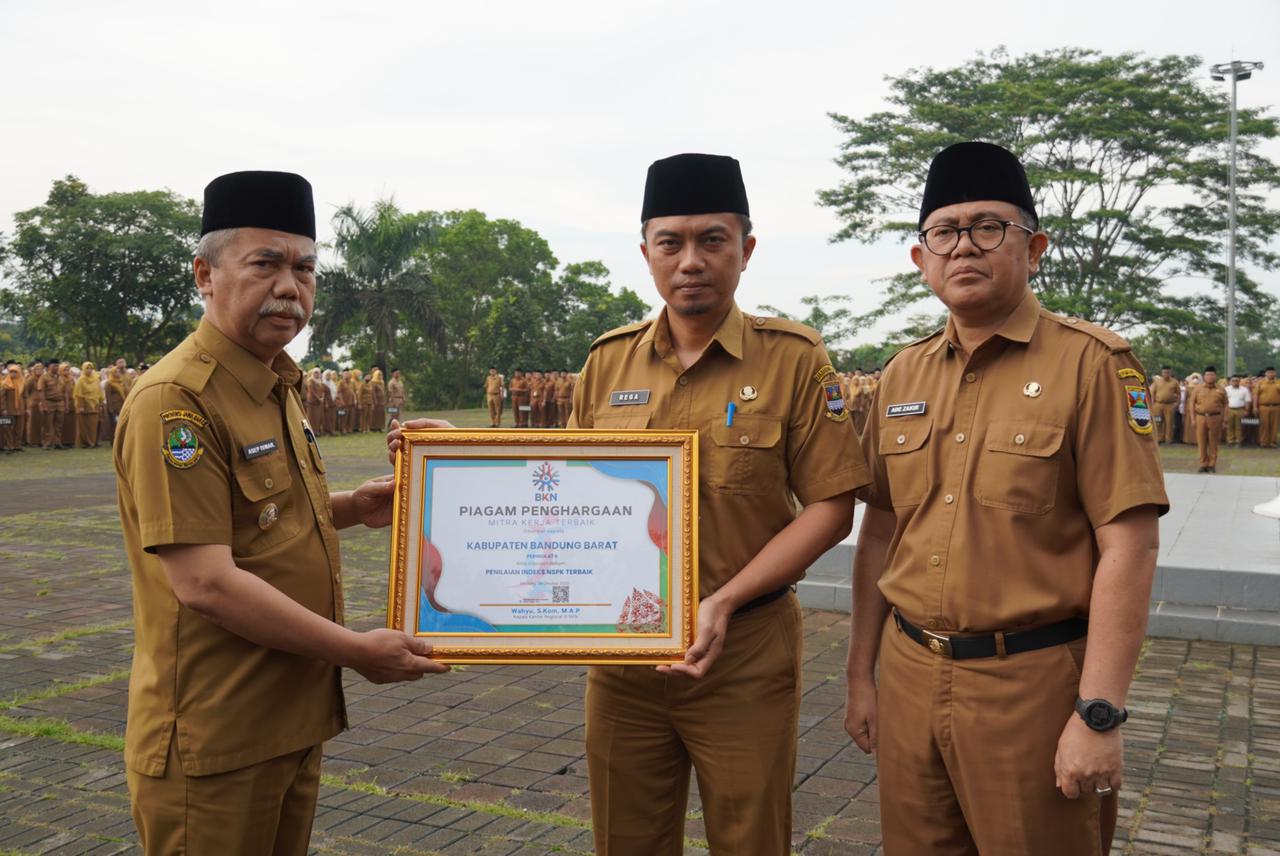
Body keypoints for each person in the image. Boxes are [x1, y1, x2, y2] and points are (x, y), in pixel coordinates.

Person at [843, 142, 1168, 856]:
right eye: (945, 231)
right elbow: (878, 534)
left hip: (1031, 686)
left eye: (989, 227)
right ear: (921, 258)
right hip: (909, 674)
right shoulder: (902, 375)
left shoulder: (1092, 365)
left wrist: (1099, 713)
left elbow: (1131, 545)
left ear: (1035, 246)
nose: (965, 246)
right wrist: (860, 677)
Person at [113, 171, 448, 856]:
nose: (290, 288)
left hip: (287, 717)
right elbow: (204, 580)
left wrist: (356, 507)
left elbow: (250, 520)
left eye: (305, 268)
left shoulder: (273, 382)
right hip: (217, 736)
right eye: (264, 264)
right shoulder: (178, 401)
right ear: (205, 274)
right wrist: (356, 651)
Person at [569, 153, 864, 853]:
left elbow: (831, 505)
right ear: (646, 253)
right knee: (625, 839)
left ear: (746, 250)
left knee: (750, 838)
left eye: (713, 240)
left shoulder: (793, 358)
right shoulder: (607, 362)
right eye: (670, 242)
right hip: (623, 663)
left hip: (746, 655)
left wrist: (723, 601)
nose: (690, 260)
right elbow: (566, 493)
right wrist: (453, 456)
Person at [1189, 366, 1228, 473]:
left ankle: (1212, 464)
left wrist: (1225, 419)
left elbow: (1226, 405)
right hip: (1200, 417)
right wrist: (1192, 419)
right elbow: (1192, 404)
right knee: (1201, 442)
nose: (1210, 377)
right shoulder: (1198, 388)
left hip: (1215, 418)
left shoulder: (1221, 389)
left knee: (1213, 442)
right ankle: (1203, 464)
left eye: (1212, 374)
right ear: (1204, 376)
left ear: (1215, 376)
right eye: (1207, 375)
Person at [37, 358, 68, 449]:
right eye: (54, 365)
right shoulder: (44, 377)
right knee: (48, 424)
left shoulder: (60, 377)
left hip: (60, 403)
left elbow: (65, 391)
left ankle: (57, 443)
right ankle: (47, 443)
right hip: (49, 402)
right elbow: (41, 392)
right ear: (49, 367)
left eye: (57, 365)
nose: (56, 367)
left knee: (59, 424)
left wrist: (66, 405)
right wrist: (44, 404)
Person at [73, 361, 104, 448]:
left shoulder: (96, 379)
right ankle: (87, 442)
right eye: (87, 368)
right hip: (85, 405)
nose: (89, 370)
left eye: (91, 368)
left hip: (95, 405)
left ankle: (94, 442)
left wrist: (101, 403)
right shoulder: (81, 380)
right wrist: (81, 406)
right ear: (83, 369)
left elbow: (100, 392)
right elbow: (78, 394)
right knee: (85, 426)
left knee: (94, 426)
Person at [1149, 366, 1180, 444]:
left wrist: (1177, 403)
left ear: (1171, 373)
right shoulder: (1157, 382)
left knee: (1169, 423)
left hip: (1170, 405)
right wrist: (1153, 403)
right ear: (1162, 373)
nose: (1166, 374)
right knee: (1158, 421)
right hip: (1158, 405)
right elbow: (1153, 393)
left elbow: (1178, 393)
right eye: (1165, 372)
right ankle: (1159, 438)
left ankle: (1168, 439)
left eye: (1168, 372)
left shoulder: (1174, 382)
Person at [1, 360, 24, 453]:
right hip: (9, 409)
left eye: (15, 372)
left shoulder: (22, 383)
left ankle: (17, 445)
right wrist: (3, 409)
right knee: (8, 428)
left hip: (20, 409)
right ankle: (10, 446)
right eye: (11, 372)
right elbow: (2, 398)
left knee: (19, 428)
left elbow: (25, 397)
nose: (13, 374)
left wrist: (26, 408)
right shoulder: (5, 383)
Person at [1225, 374, 1252, 447]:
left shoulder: (1244, 390)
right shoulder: (1226, 389)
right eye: (1233, 381)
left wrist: (1246, 410)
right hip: (1229, 409)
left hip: (1240, 409)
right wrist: (1225, 410)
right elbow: (1224, 401)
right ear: (1230, 381)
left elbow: (1247, 401)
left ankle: (1238, 441)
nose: (1235, 382)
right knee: (1230, 426)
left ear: (1239, 381)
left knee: (1239, 426)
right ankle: (1230, 441)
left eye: (1236, 381)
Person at [1257, 367, 1280, 448]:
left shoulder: (1279, 382)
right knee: (1264, 425)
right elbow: (1255, 395)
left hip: (1276, 407)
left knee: (1275, 426)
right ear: (1266, 373)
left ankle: (1273, 443)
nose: (1271, 374)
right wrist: (1255, 407)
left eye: (1272, 372)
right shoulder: (1260, 383)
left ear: (1275, 373)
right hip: (1263, 407)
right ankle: (1263, 442)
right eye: (1269, 372)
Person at [25, 360, 45, 447]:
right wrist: (28, 404)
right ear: (34, 370)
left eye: (40, 369)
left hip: (42, 403)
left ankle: (41, 440)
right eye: (37, 369)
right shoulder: (31, 379)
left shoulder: (44, 379)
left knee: (42, 423)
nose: (39, 371)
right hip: (33, 404)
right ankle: (32, 441)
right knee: (33, 423)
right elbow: (26, 392)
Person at [304, 367, 325, 432]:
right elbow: (312, 391)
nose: (316, 374)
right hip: (312, 402)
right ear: (313, 373)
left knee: (317, 417)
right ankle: (312, 431)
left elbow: (322, 390)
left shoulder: (320, 381)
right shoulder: (310, 380)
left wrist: (322, 398)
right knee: (311, 417)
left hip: (318, 403)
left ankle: (316, 430)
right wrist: (318, 398)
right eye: (315, 373)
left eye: (318, 373)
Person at [369, 368, 386, 432]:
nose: (380, 376)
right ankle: (374, 427)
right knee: (375, 414)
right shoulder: (373, 382)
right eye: (379, 375)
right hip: (376, 401)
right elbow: (373, 392)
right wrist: (374, 400)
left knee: (381, 414)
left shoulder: (382, 382)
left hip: (382, 400)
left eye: (381, 375)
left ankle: (380, 427)